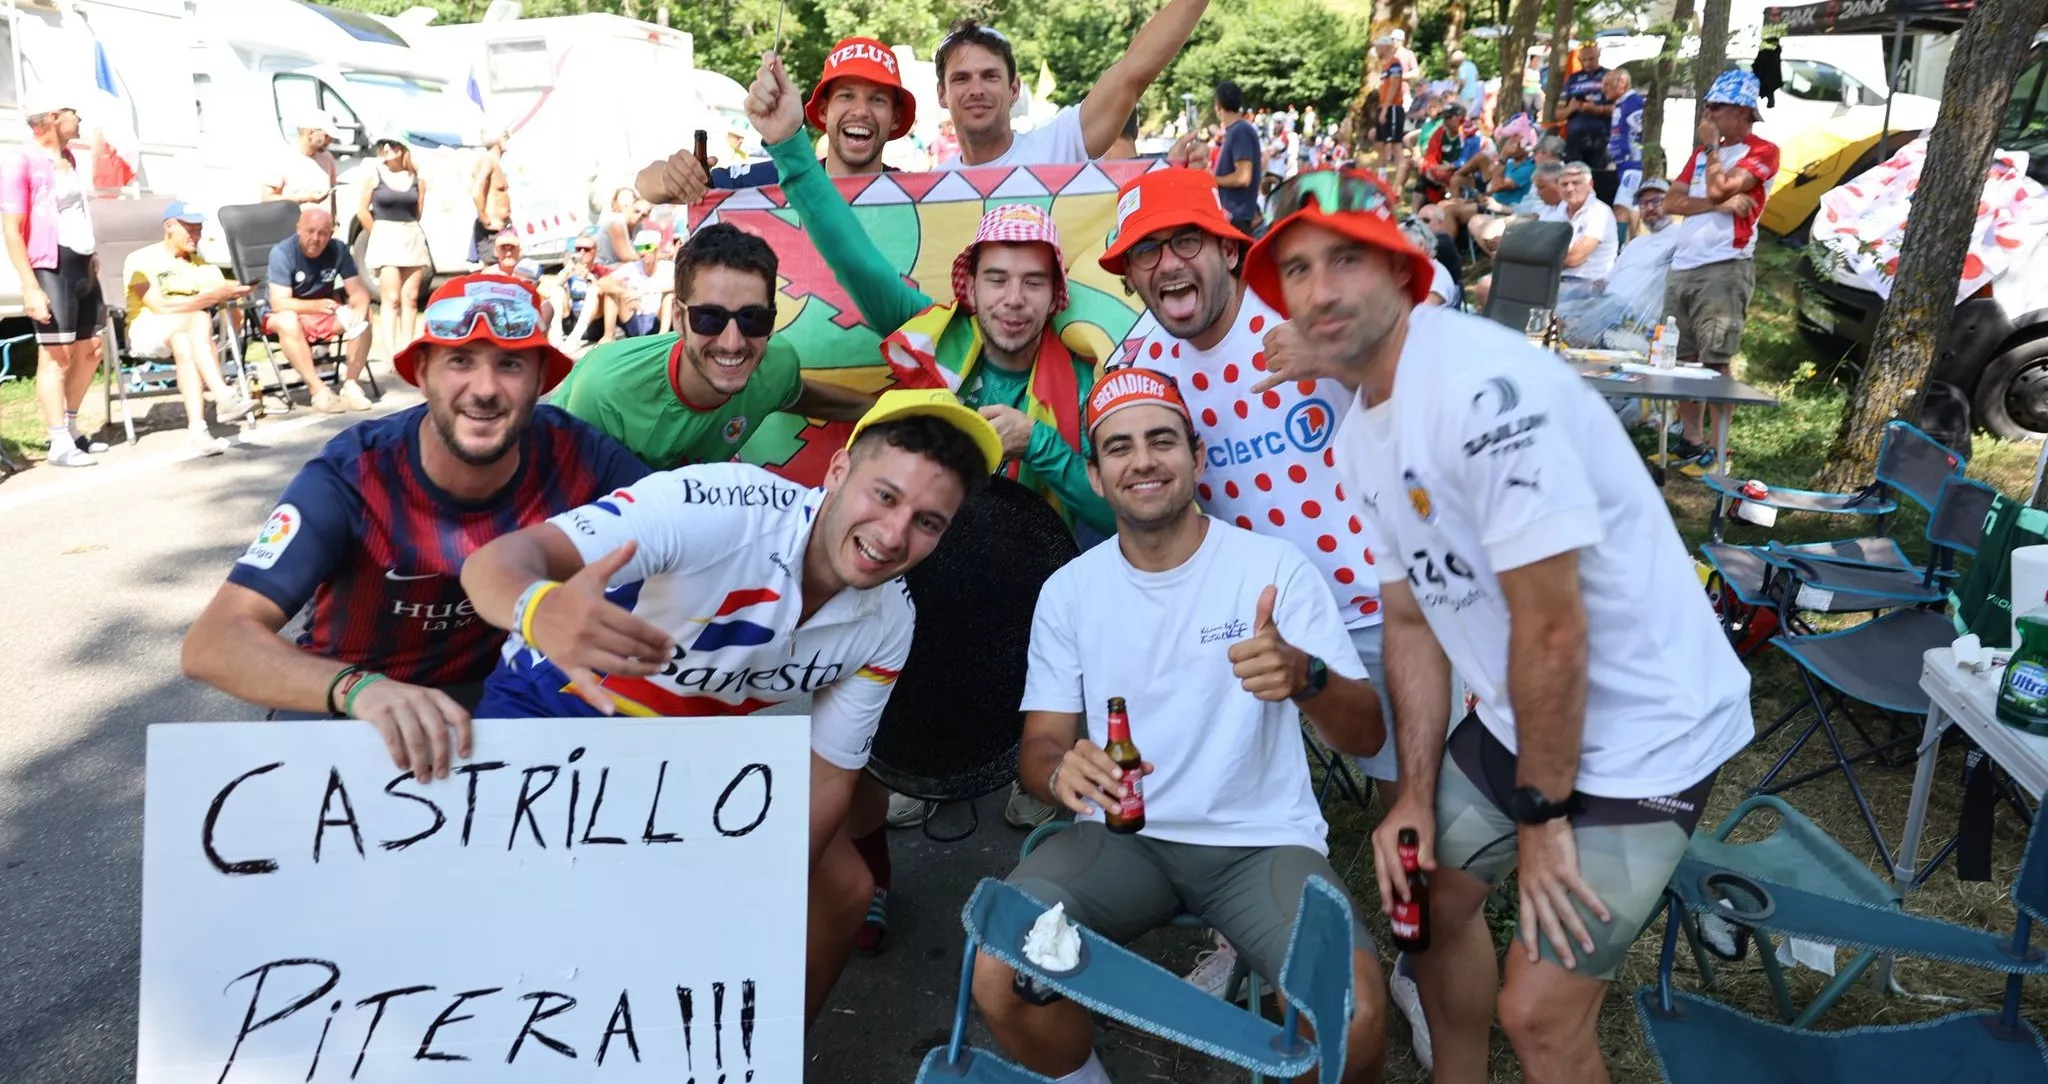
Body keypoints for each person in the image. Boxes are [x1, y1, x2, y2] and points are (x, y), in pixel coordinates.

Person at [1244, 166, 1753, 1084]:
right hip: (1524, 714)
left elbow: (1553, 631)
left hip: (1648, 737)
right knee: (1425, 904)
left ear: (1403, 272)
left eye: (1346, 260)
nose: (1319, 291)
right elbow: (1412, 616)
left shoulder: (1484, 391)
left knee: (1542, 1016)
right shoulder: (1365, 427)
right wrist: (1409, 793)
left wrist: (1542, 816)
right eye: (1298, 267)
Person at [460, 388, 1002, 1031]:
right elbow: (494, 564)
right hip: (556, 712)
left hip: (691, 759)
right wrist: (537, 608)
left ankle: (756, 1056)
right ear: (837, 471)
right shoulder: (717, 507)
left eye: (927, 522)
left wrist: (757, 890)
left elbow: (828, 775)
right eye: (884, 496)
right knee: (556, 917)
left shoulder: (890, 621)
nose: (892, 535)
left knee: (846, 892)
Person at [969, 368, 1390, 1084]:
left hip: (1258, 844)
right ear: (1096, 477)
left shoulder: (1271, 569)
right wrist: (1057, 771)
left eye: (1162, 440)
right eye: (1119, 447)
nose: (1143, 460)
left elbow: (1368, 737)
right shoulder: (1070, 590)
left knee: (1352, 1013)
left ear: (1197, 457)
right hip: (1121, 842)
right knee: (1000, 968)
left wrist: (1306, 678)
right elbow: (1040, 746)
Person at [1099, 167, 1396, 997]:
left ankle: (1416, 954)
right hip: (1240, 618)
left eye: (1185, 241)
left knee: (1397, 792)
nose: (1166, 265)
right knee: (1230, 790)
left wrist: (1350, 350)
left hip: (1371, 601)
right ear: (1128, 276)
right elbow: (1124, 473)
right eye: (1144, 254)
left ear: (1228, 248)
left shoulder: (1302, 306)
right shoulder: (1141, 362)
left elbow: (1442, 374)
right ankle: (1247, 931)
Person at [181, 273, 650, 776]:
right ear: (422, 372)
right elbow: (214, 643)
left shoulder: (581, 455)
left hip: (501, 700)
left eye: (510, 364)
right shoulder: (352, 474)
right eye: (460, 360)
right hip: (350, 699)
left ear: (541, 380)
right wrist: (358, 689)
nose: (485, 389)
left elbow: (695, 536)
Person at [551, 221, 875, 469]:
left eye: (752, 319)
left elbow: (806, 398)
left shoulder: (776, 366)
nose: (733, 343)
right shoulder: (605, 393)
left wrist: (906, 408)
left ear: (772, 321)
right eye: (709, 318)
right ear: (678, 317)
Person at [1660, 70, 1779, 476]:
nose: (1707, 113)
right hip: (1684, 266)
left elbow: (1717, 187)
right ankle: (1691, 440)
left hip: (1724, 266)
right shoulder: (1698, 156)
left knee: (1716, 361)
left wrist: (1712, 153)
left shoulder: (1763, 151)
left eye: (1716, 107)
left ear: (1743, 111)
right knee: (1681, 360)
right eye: (1707, 105)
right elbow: (1671, 203)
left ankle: (1719, 447)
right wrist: (1717, 205)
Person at [638, 36, 917, 204]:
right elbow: (645, 185)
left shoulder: (919, 197)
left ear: (895, 118)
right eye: (846, 96)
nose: (861, 111)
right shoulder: (771, 180)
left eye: (877, 99)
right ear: (823, 112)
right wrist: (670, 176)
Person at [933, 7, 1207, 169]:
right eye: (961, 79)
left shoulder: (1057, 145)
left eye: (990, 76)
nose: (976, 89)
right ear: (941, 94)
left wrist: (1164, 173)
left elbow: (1132, 72)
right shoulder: (929, 192)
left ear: (1014, 89)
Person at [1, 95, 108, 467]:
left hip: (82, 264)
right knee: (56, 356)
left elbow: (76, 212)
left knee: (92, 348)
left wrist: (92, 254)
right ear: (53, 117)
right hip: (51, 266)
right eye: (73, 112)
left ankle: (73, 428)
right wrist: (30, 286)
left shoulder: (71, 159)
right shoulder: (23, 162)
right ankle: (57, 441)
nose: (79, 118)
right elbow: (12, 231)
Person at [121, 201, 258, 455]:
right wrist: (211, 298)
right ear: (169, 226)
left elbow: (234, 311)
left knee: (185, 342)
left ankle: (198, 431)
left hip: (185, 337)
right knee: (199, 318)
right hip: (145, 330)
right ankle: (223, 394)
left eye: (199, 229)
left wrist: (235, 294)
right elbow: (159, 306)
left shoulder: (205, 268)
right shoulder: (140, 259)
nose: (197, 236)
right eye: (190, 229)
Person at [265, 206, 374, 412]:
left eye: (323, 233)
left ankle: (351, 386)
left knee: (364, 314)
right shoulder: (283, 253)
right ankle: (319, 391)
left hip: (324, 313)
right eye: (310, 231)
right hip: (287, 313)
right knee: (287, 320)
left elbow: (357, 290)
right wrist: (313, 306)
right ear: (299, 229)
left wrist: (359, 305)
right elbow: (279, 303)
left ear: (331, 233)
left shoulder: (339, 250)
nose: (316, 238)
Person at [359, 137, 430, 356]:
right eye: (384, 145)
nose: (387, 149)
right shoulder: (374, 174)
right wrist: (378, 232)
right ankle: (391, 351)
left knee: (410, 297)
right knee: (391, 298)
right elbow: (362, 211)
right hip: (384, 234)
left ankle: (407, 347)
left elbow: (418, 211)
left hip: (410, 233)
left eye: (393, 144)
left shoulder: (416, 177)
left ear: (403, 149)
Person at [1557, 40, 1613, 202]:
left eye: (1592, 59)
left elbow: (1619, 109)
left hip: (1600, 137)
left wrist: (1596, 109)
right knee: (1573, 176)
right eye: (1584, 60)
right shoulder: (1572, 80)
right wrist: (1571, 109)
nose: (1588, 63)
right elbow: (1558, 113)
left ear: (1599, 56)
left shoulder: (1608, 76)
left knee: (1597, 178)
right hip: (1575, 138)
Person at [1554, 162, 1618, 302]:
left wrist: (1540, 258)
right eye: (1564, 184)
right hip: (1558, 280)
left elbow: (1574, 258)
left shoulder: (1599, 212)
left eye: (1576, 183)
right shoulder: (1559, 210)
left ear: (1590, 185)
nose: (1570, 188)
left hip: (1589, 284)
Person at [593, 229, 673, 341]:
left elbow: (680, 285)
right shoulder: (632, 267)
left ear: (657, 248)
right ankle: (608, 336)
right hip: (635, 318)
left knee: (669, 297)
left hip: (658, 319)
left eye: (647, 247)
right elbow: (602, 283)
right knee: (612, 292)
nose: (642, 253)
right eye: (638, 248)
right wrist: (624, 292)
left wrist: (640, 293)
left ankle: (662, 337)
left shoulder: (668, 267)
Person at [1212, 80, 1263, 236]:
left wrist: (1211, 179)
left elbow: (1243, 177)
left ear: (1218, 106)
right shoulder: (1237, 131)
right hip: (1234, 215)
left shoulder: (1240, 131)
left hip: (1237, 216)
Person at [261, 113, 342, 208]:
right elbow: (267, 198)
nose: (330, 141)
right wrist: (305, 199)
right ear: (310, 133)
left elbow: (333, 193)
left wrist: (335, 220)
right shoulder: (282, 158)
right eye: (327, 136)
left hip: (323, 220)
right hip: (293, 220)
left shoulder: (327, 158)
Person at [1603, 69, 1646, 231]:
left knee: (1621, 207)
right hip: (1621, 165)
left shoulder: (1633, 102)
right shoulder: (1621, 103)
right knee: (1633, 207)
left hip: (1633, 165)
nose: (1603, 89)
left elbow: (1643, 129)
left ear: (1621, 83)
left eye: (1607, 84)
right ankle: (1631, 245)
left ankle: (1617, 248)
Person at [470, 127, 511, 263]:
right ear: (497, 140)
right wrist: (485, 220)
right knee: (493, 272)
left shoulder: (495, 163)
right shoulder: (488, 161)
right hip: (492, 229)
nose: (507, 140)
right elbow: (476, 191)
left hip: (502, 227)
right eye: (505, 136)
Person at [1372, 37, 1407, 186]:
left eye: (1378, 47)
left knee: (1395, 145)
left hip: (1393, 108)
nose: (1377, 50)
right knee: (1380, 142)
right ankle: (1381, 177)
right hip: (1385, 106)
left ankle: (1399, 182)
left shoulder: (1394, 63)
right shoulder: (1384, 66)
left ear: (1385, 47)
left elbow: (1393, 87)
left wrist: (1385, 109)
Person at [593, 187, 646, 266]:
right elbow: (626, 255)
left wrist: (654, 249)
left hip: (626, 264)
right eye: (623, 198)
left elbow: (643, 247)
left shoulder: (638, 223)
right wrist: (649, 257)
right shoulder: (615, 221)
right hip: (606, 265)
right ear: (616, 202)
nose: (626, 202)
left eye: (629, 198)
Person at [1454, 49, 1484, 115]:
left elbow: (1463, 81)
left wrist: (1457, 92)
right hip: (1474, 93)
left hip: (1465, 94)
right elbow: (1477, 77)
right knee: (1473, 113)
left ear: (1458, 61)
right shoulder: (1472, 65)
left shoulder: (1462, 68)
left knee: (1465, 114)